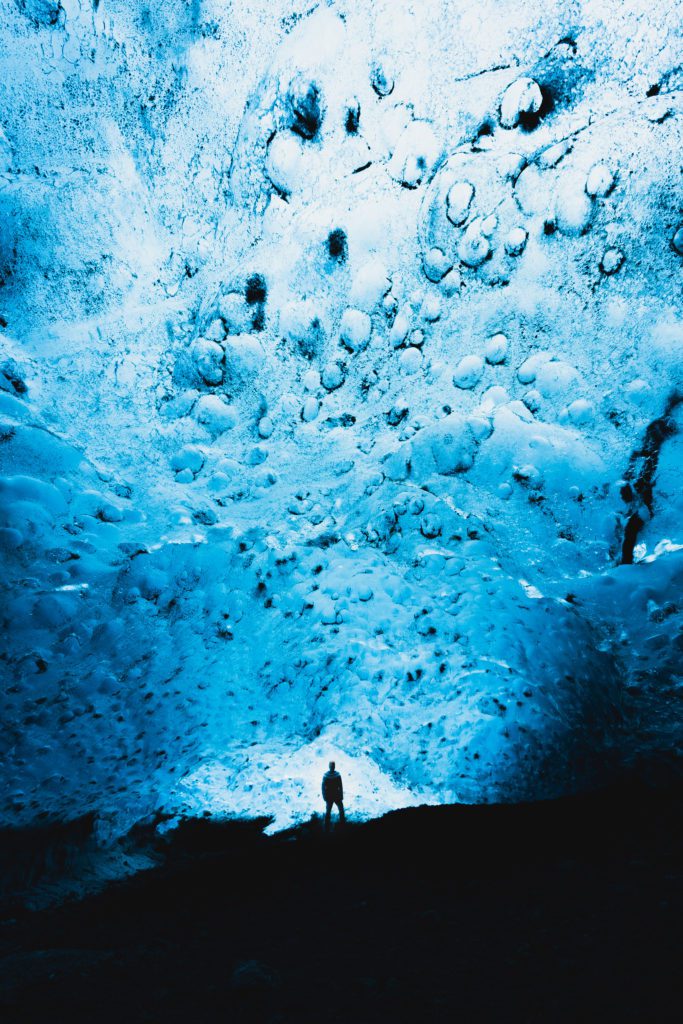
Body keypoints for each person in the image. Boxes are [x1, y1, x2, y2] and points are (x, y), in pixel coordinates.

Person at [322, 761, 345, 831]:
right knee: (329, 811)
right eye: (331, 765)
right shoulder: (328, 775)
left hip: (333, 795)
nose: (332, 767)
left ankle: (341, 825)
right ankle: (327, 827)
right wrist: (324, 796)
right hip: (332, 795)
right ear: (329, 766)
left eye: (333, 765)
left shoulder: (335, 775)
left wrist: (341, 795)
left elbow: (340, 786)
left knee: (340, 810)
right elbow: (323, 787)